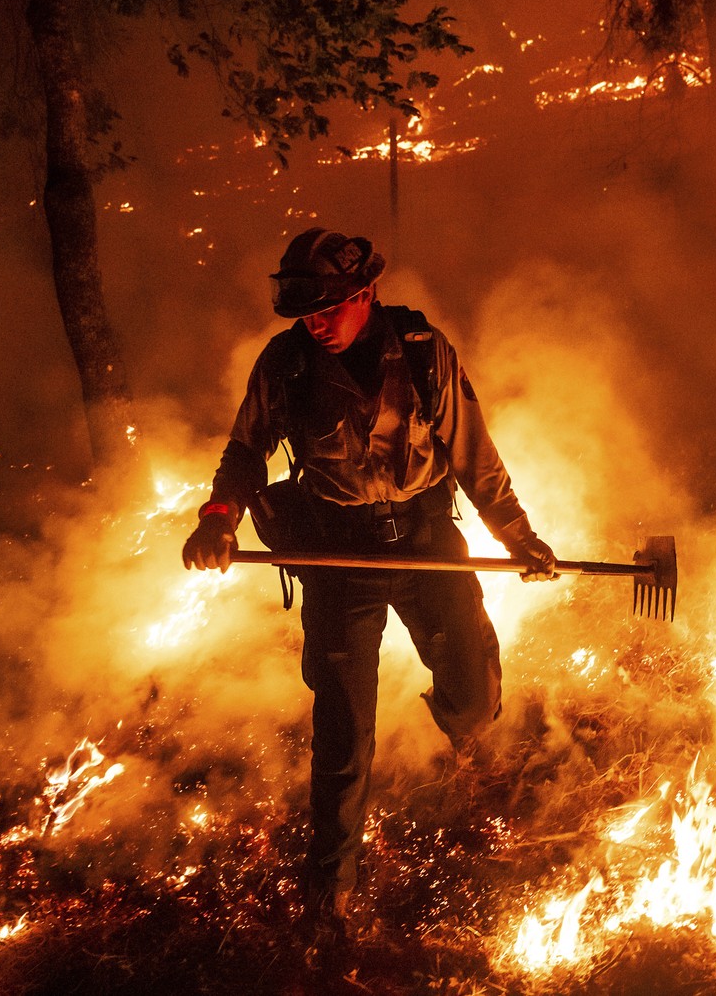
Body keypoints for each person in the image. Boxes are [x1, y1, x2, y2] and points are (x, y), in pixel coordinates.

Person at [182, 227, 556, 946]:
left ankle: (461, 733)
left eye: (326, 307)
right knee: (343, 737)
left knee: (477, 694)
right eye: (304, 310)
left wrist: (519, 536)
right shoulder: (286, 364)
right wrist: (219, 516)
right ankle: (329, 900)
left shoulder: (420, 353)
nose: (313, 322)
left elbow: (475, 454)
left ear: (366, 293)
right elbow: (244, 449)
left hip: (422, 537)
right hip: (335, 551)